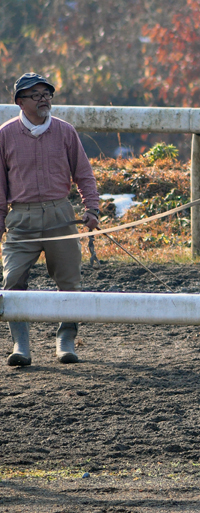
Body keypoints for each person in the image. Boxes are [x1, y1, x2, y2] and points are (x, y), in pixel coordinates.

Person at [0, 72, 100, 366]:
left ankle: (65, 339)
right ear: (20, 101)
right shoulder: (4, 135)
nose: (44, 99)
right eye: (36, 95)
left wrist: (91, 208)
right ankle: (20, 344)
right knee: (12, 281)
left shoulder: (66, 131)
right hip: (21, 218)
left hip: (60, 214)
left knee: (69, 280)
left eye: (47, 94)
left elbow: (83, 173)